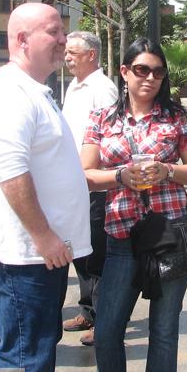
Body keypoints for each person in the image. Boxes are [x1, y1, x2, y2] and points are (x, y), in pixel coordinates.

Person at [0, 2, 91, 372]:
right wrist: (43, 235)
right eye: (54, 32)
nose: (63, 40)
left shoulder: (33, 90)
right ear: (22, 39)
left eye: (64, 32)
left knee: (34, 352)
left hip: (38, 256)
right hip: (21, 257)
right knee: (26, 357)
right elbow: (10, 172)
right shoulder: (8, 92)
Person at [81, 37, 187, 372]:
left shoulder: (177, 117)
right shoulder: (102, 118)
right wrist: (121, 177)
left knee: (164, 332)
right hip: (121, 236)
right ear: (124, 72)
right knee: (107, 332)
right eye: (141, 70)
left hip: (169, 233)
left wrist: (167, 170)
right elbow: (87, 173)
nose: (150, 78)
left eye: (157, 72)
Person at [61, 31, 118, 347]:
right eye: (67, 52)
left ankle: (104, 317)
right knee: (78, 248)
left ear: (92, 55)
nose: (67, 57)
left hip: (96, 183)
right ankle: (87, 309)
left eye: (73, 52)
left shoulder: (102, 88)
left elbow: (111, 134)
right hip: (72, 180)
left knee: (96, 251)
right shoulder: (73, 85)